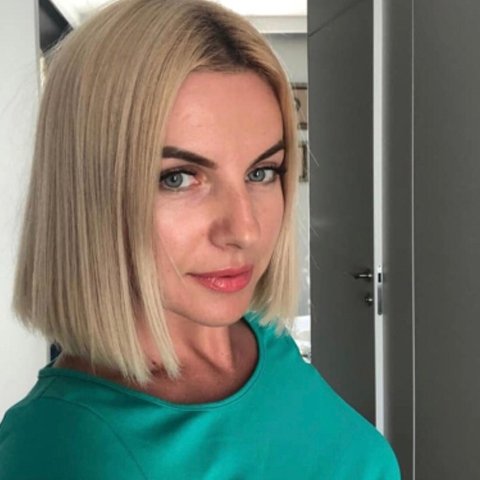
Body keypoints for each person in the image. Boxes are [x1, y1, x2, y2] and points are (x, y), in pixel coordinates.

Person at [0, 0, 401, 478]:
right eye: (178, 178)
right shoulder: (59, 448)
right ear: (86, 194)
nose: (245, 230)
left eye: (261, 171)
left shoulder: (264, 339)